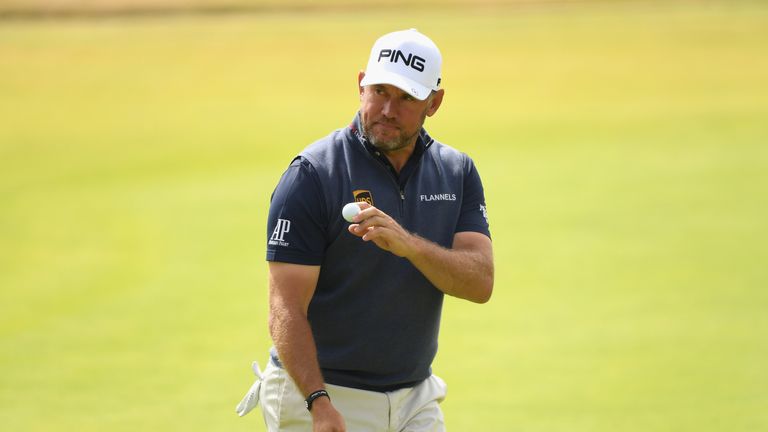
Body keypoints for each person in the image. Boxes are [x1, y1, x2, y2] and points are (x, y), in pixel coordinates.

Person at [241, 28, 494, 432]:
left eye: (407, 98)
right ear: (361, 85)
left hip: (416, 397)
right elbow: (284, 307)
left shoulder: (456, 172)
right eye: (380, 91)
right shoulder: (312, 175)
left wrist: (409, 246)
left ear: (435, 102)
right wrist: (318, 404)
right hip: (323, 395)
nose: (388, 109)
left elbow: (480, 282)